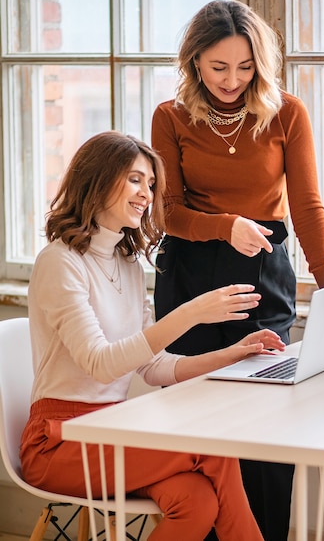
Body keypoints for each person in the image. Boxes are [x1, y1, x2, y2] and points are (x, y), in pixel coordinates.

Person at [151, 0, 324, 541]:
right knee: (198, 424)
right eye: (218, 67)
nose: (232, 80)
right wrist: (224, 226)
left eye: (245, 66)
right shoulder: (171, 117)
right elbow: (165, 211)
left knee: (270, 416)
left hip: (264, 273)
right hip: (190, 273)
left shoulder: (287, 113)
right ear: (194, 64)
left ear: (260, 63)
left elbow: (307, 206)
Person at [20, 130, 288, 541]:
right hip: (59, 442)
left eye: (150, 183)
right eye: (134, 179)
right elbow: (102, 364)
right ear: (96, 178)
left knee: (196, 501)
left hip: (112, 430)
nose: (146, 193)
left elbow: (154, 366)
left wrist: (233, 354)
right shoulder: (60, 262)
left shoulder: (126, 262)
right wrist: (192, 313)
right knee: (214, 450)